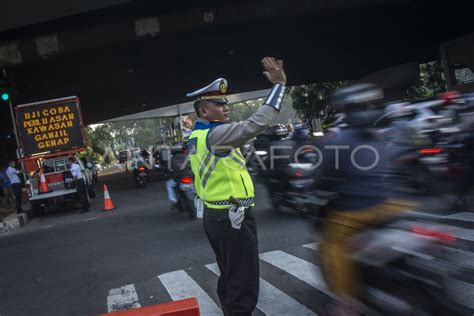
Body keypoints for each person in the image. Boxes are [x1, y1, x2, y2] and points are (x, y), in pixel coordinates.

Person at [187, 56, 287, 315]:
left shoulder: (197, 135)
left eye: (225, 102)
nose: (225, 107)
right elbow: (257, 123)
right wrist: (279, 86)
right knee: (244, 281)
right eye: (218, 104)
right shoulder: (216, 135)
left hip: (216, 215)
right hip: (232, 216)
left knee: (231, 276)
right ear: (203, 111)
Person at [314, 84, 418, 313]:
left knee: (332, 247)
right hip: (391, 203)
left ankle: (345, 303)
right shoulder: (383, 134)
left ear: (343, 110)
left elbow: (322, 176)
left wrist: (318, 184)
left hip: (354, 211)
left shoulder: (336, 140)